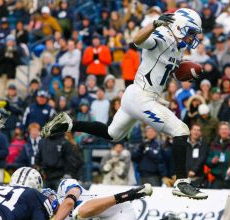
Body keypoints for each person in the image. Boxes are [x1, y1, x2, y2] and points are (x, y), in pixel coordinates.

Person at [41, 8, 208, 199]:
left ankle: (69, 124)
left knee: (113, 134)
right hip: (141, 97)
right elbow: (137, 40)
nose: (192, 37)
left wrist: (184, 69)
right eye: (191, 32)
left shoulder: (178, 45)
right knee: (181, 130)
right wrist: (153, 24)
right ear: (179, 27)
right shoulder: (162, 36)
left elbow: (163, 66)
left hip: (138, 94)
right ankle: (181, 182)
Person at [49, 178, 191, 220]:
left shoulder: (64, 186)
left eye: (49, 199)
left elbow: (69, 202)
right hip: (112, 218)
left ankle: (132, 193)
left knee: (78, 213)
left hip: (111, 203)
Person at [206, 122, 230, 189]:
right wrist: (212, 161)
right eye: (222, 129)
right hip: (217, 178)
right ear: (219, 132)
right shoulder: (214, 144)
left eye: (226, 129)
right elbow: (207, 159)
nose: (224, 131)